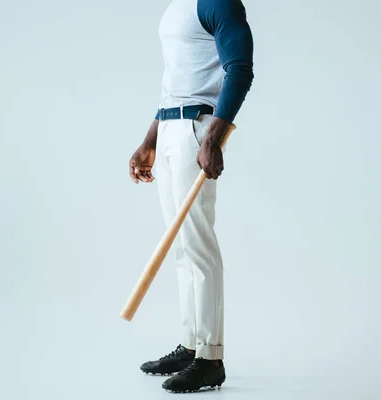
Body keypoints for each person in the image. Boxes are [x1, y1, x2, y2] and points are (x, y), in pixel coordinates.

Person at [127, 0, 253, 393]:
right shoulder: (174, 9)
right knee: (181, 248)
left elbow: (240, 68)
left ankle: (210, 358)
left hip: (197, 128)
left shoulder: (218, 3)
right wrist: (150, 139)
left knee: (197, 246)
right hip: (168, 126)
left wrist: (213, 136)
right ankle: (190, 344)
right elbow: (173, 80)